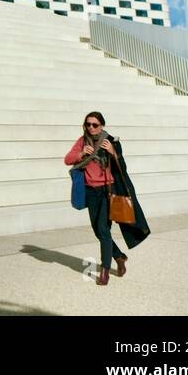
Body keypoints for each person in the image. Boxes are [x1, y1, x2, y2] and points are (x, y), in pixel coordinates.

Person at [63, 111, 150, 284]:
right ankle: (119, 257)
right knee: (98, 230)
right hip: (90, 191)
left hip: (108, 191)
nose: (91, 128)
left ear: (102, 125)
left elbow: (122, 167)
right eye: (88, 124)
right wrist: (81, 154)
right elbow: (67, 160)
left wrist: (113, 152)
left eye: (95, 125)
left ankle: (105, 271)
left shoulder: (111, 141)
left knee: (103, 229)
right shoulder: (82, 141)